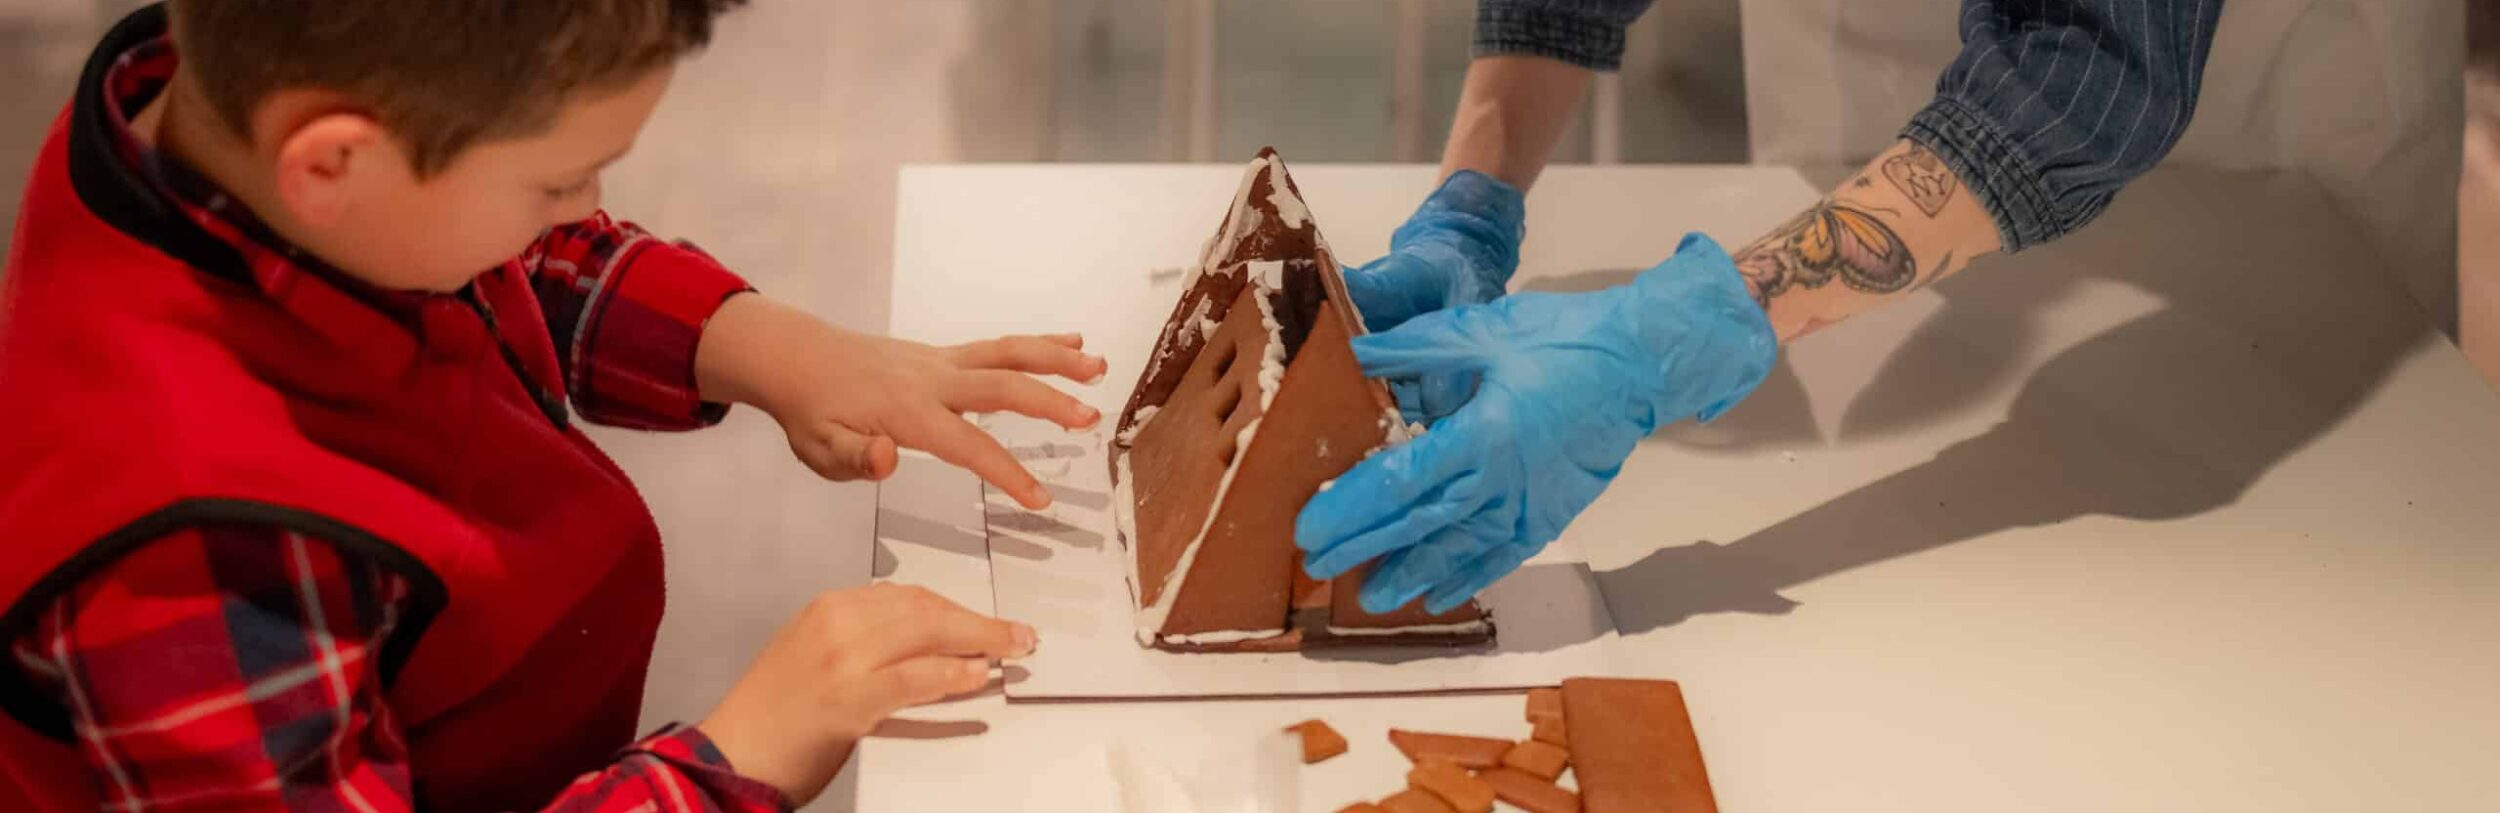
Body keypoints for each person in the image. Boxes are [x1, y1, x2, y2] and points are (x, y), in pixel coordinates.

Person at [0, 2, 1098, 809]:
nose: (584, 206)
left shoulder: (222, 122)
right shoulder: (191, 554)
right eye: (561, 179)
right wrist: (740, 757)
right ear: (329, 163)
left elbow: (503, 260)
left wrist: (770, 349)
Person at [1300, 0, 2228, 614]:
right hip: (1849, 101)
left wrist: (1669, 334)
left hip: (2207, 209)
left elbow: (2088, 72)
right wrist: (1473, 203)